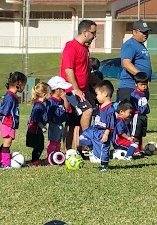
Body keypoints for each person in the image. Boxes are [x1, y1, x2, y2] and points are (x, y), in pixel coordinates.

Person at [60, 20, 97, 150]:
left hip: (81, 91)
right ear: (85, 32)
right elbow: (68, 70)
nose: (95, 36)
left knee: (73, 122)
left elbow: (85, 72)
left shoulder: (85, 49)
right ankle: (84, 143)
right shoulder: (71, 47)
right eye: (93, 33)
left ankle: (72, 150)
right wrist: (75, 89)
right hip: (70, 91)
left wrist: (89, 89)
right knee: (87, 111)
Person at [0, 72, 27, 168]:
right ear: (18, 83)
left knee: (6, 142)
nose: (24, 87)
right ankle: (5, 164)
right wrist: (0, 113)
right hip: (8, 122)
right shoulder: (10, 96)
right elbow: (5, 109)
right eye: (24, 84)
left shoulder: (12, 95)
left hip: (9, 123)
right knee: (7, 142)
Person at [78, 80, 116, 171]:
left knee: (104, 149)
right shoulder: (100, 105)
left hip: (103, 132)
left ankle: (104, 165)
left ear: (105, 94)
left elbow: (111, 124)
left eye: (97, 94)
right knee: (83, 137)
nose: (96, 97)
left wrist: (106, 134)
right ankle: (91, 149)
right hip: (95, 129)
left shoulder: (110, 109)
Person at [117, 19, 152, 102]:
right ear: (134, 32)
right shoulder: (130, 44)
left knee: (141, 113)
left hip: (141, 87)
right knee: (129, 114)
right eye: (143, 32)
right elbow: (126, 63)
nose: (145, 34)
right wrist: (141, 77)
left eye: (147, 32)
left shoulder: (141, 46)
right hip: (130, 87)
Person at [45, 76, 72, 160]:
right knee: (53, 142)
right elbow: (48, 113)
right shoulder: (50, 101)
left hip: (60, 124)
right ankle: (50, 157)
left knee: (58, 142)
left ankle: (56, 156)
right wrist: (50, 123)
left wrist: (64, 99)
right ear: (57, 90)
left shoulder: (61, 100)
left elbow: (68, 109)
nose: (64, 91)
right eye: (62, 89)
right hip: (54, 124)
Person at [26, 82, 50, 167]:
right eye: (49, 93)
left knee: (40, 146)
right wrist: (42, 127)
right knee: (39, 146)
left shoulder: (41, 105)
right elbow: (35, 118)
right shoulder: (38, 106)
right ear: (44, 94)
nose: (50, 95)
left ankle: (35, 160)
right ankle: (34, 161)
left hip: (37, 130)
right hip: (34, 130)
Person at [130, 72, 150, 154]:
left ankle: (140, 148)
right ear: (136, 84)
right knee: (135, 134)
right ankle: (134, 150)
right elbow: (132, 106)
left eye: (145, 84)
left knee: (141, 133)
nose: (144, 86)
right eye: (142, 84)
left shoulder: (144, 94)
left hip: (143, 116)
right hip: (137, 116)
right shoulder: (134, 94)